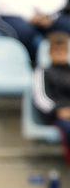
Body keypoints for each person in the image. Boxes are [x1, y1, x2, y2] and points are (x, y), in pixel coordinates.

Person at [33, 31, 70, 164]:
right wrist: (58, 110)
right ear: (50, 52)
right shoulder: (42, 73)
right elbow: (41, 98)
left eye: (63, 50)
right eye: (56, 50)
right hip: (55, 116)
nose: (60, 53)